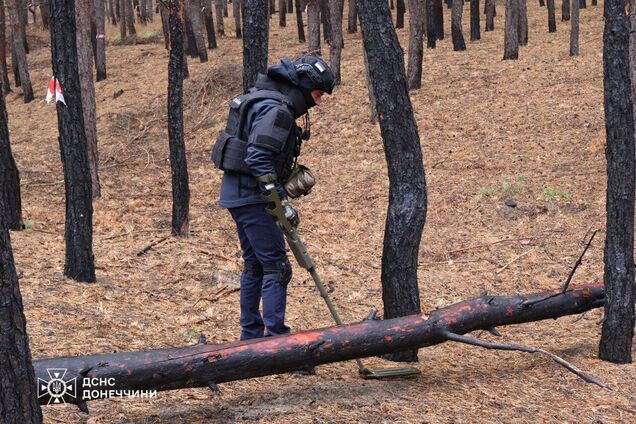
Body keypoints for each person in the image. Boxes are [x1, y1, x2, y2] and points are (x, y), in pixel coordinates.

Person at [212, 55, 336, 341]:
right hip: (253, 198)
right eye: (317, 94)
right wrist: (278, 199)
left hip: (238, 194)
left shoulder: (266, 100)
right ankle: (276, 340)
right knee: (277, 266)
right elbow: (257, 157)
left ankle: (252, 337)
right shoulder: (277, 111)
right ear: (303, 86)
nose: (318, 102)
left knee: (256, 263)